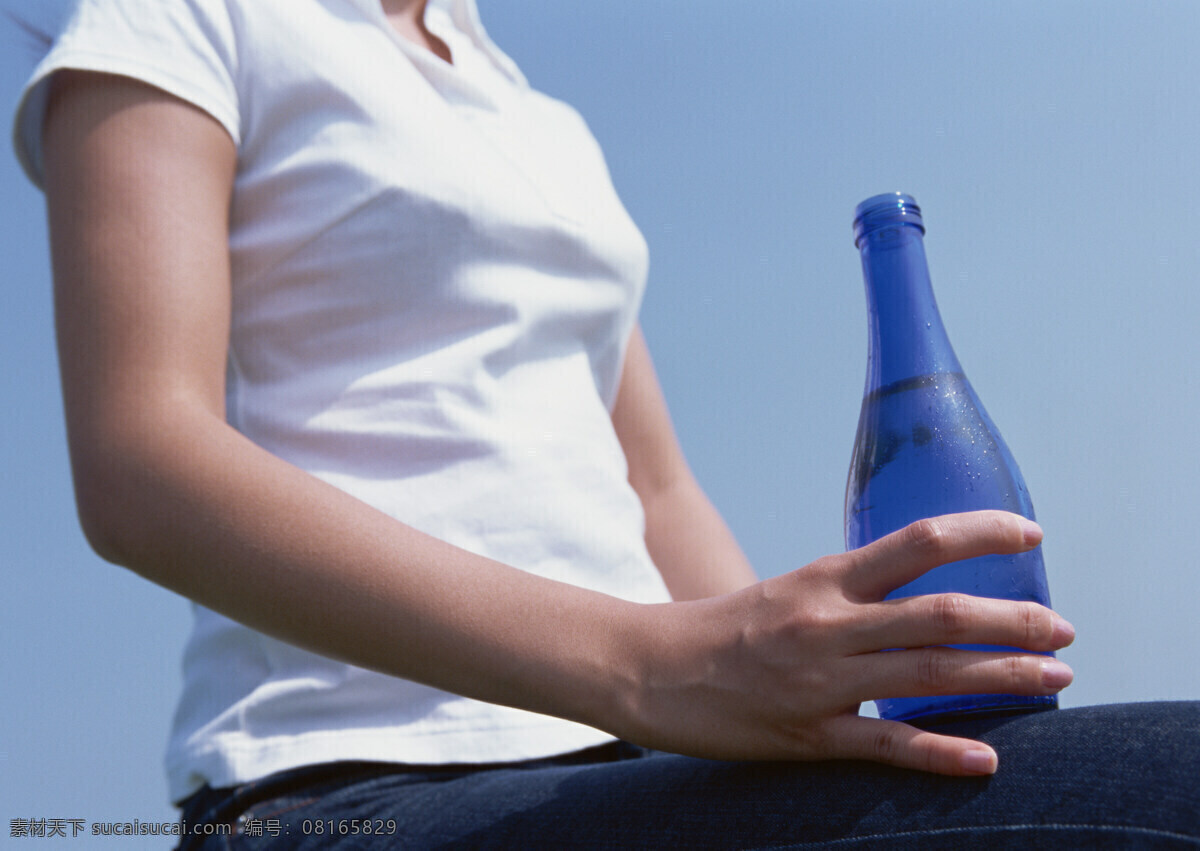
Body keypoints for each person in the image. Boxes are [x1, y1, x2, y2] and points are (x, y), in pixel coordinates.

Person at [12, 0, 1199, 847]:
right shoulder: (183, 16)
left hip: (629, 762)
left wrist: (813, 687)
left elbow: (656, 486)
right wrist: (655, 665)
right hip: (344, 782)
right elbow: (139, 459)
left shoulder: (534, 114)